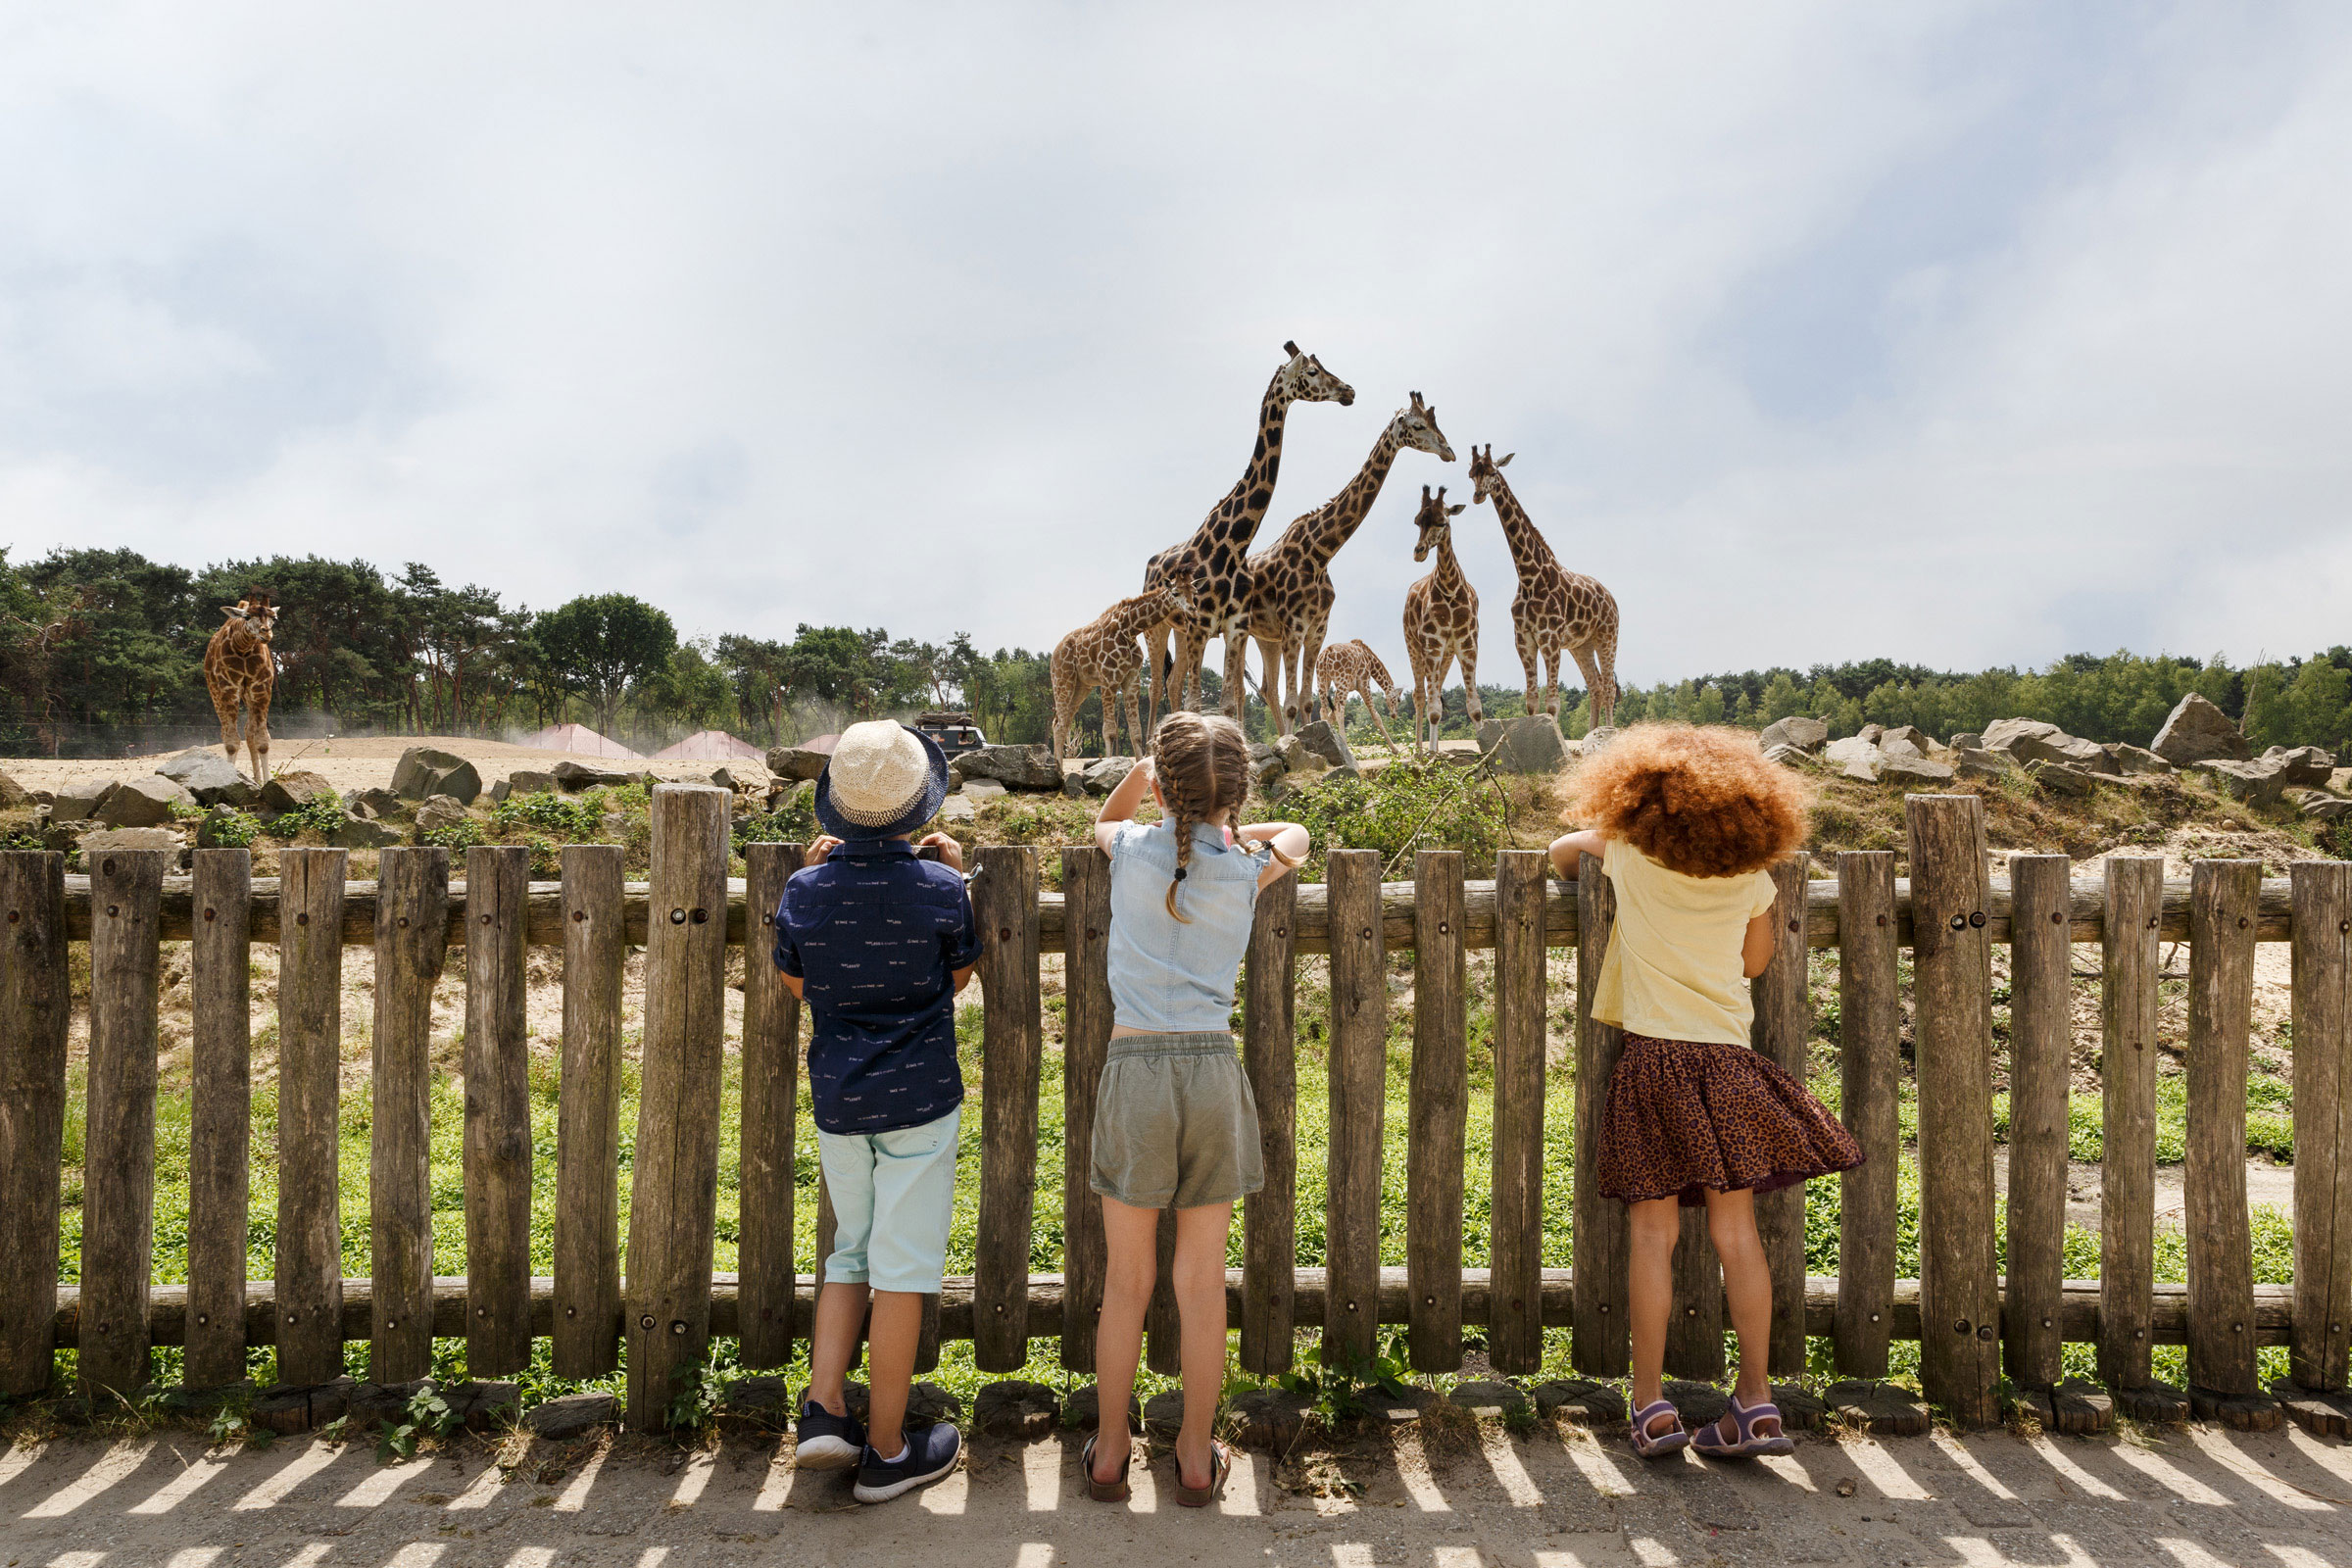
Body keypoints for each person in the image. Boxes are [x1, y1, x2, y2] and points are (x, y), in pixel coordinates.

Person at [1548, 723, 1862, 1460]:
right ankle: (1755, 1402)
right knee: (1737, 1235)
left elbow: (1562, 852)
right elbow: (1755, 963)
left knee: (1652, 1236)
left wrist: (1596, 848)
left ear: (1639, 796)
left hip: (1653, 1063)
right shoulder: (1751, 880)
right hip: (1726, 1066)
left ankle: (1651, 1403)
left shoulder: (1626, 855)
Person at [1084, 711, 1309, 1506]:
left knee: (1127, 1280)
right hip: (1212, 1068)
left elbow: (1104, 818)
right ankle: (1191, 1455)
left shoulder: (1131, 848)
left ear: (1162, 787)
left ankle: (1111, 1451)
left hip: (1136, 1067)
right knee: (1203, 1281)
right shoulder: (1247, 866)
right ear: (1237, 793)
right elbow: (1299, 836)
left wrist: (1143, 774)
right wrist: (1234, 825)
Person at [775, 719, 979, 1504]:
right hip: (919, 1101)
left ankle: (825, 1408)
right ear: (918, 808)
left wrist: (811, 879)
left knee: (849, 1255)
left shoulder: (805, 891)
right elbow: (957, 977)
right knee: (902, 1272)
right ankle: (889, 1450)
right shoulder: (939, 889)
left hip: (841, 1099)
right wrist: (952, 877)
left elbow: (799, 984)